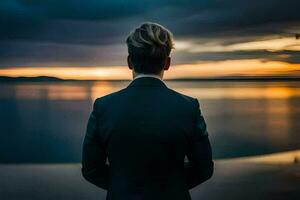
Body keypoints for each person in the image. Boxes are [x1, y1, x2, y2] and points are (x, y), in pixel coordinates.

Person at [81, 22, 214, 200]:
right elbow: (204, 168)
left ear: (129, 62)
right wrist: (170, 187)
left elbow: (91, 170)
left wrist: (124, 187)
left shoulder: (104, 107)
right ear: (167, 63)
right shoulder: (188, 107)